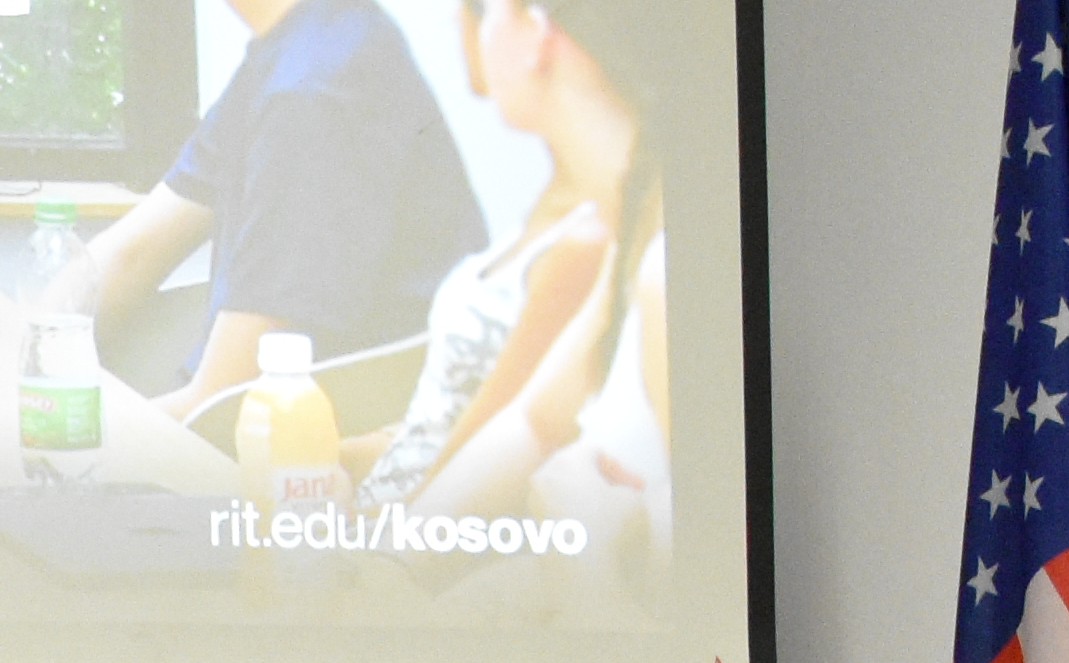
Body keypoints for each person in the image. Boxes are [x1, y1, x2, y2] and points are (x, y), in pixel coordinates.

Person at [36, 0, 475, 422]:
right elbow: (134, 251)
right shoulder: (299, 45)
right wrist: (24, 354)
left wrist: (40, 423)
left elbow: (225, 409)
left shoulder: (314, 91)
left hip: (289, 461)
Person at [349, 0, 656, 519]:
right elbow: (528, 422)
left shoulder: (635, 254)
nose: (457, 19)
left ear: (537, 32)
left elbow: (490, 436)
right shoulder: (615, 237)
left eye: (485, 10)